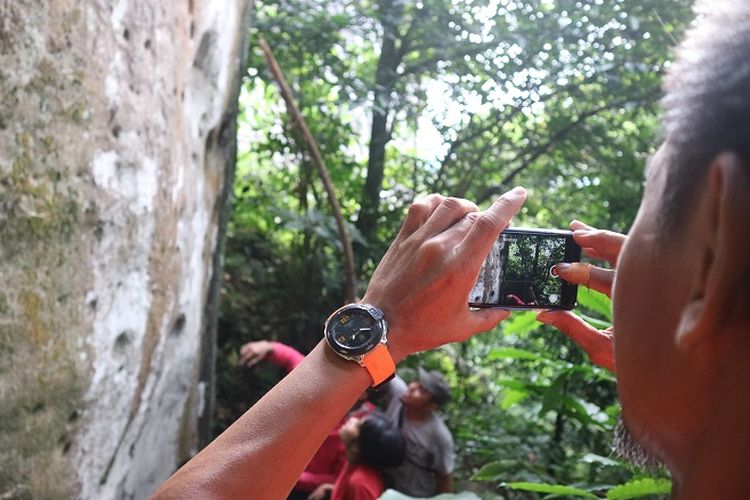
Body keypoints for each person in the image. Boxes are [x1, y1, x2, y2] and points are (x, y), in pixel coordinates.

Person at [153, 1, 750, 497]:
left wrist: (375, 322)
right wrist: (699, 377)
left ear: (715, 249)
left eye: (649, 194)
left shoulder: (419, 439)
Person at [237, 340, 375, 499]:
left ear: (364, 392)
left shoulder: (361, 428)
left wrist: (289, 477)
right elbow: (295, 362)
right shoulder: (324, 390)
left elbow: (338, 476)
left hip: (301, 490)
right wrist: (270, 347)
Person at [383, 369, 454, 496]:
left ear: (431, 406)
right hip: (383, 483)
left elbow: (444, 480)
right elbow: (380, 369)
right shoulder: (399, 395)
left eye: (422, 390)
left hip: (413, 495)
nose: (412, 387)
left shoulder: (439, 436)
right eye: (417, 382)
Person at [308, 412, 405, 500]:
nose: (353, 420)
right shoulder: (353, 461)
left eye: (358, 425)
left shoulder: (359, 483)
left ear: (357, 446)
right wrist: (328, 487)